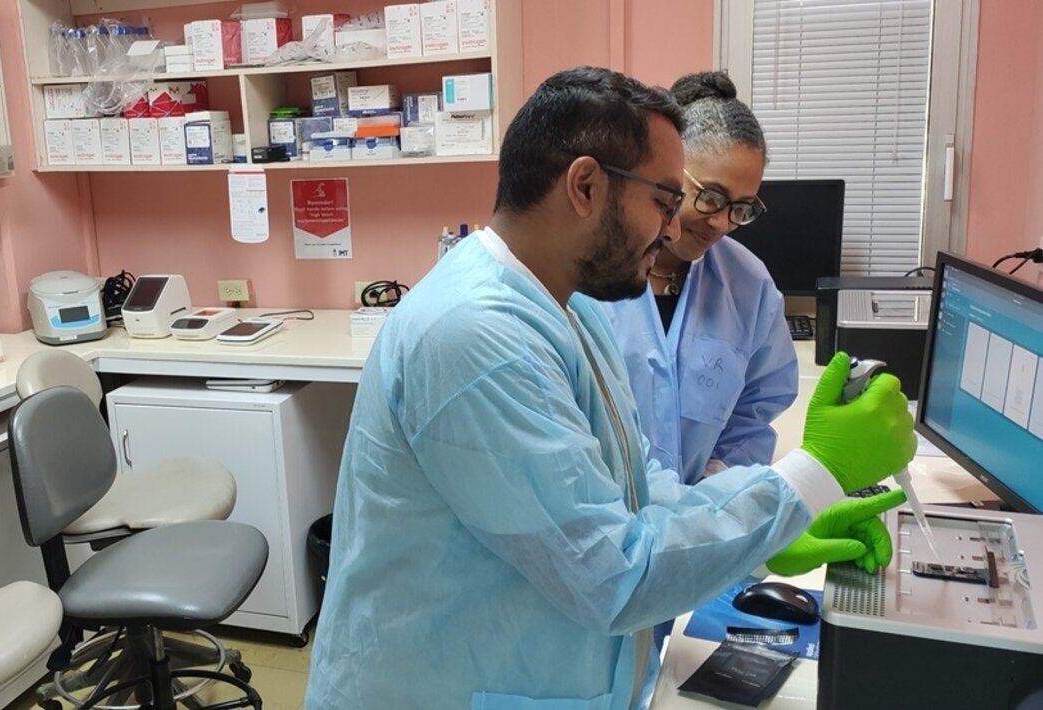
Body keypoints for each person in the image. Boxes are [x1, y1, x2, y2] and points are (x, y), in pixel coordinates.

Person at [304, 66, 915, 710]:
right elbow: (610, 576)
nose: (674, 227)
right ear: (587, 186)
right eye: (665, 200)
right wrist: (815, 473)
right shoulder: (476, 336)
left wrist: (777, 518)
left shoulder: (573, 307)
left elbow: (641, 487)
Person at [598, 71, 796, 485]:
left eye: (742, 208)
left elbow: (756, 406)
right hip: (604, 511)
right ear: (669, 172)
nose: (722, 223)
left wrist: (718, 482)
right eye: (711, 197)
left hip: (702, 512)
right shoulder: (591, 278)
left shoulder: (748, 285)